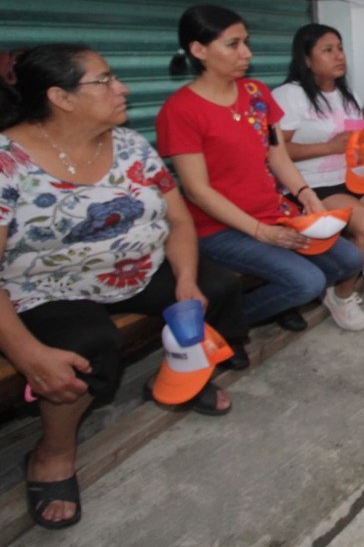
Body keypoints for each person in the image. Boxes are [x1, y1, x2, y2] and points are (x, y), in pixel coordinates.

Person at [1, 45, 248, 529]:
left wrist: (185, 281)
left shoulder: (131, 145)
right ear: (61, 97)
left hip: (138, 268)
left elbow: (177, 220)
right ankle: (52, 453)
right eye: (106, 80)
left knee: (216, 288)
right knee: (89, 344)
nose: (124, 88)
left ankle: (176, 377)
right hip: (50, 288)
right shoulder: (7, 163)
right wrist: (28, 354)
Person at [156, 5, 364, 332]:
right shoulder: (180, 110)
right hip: (220, 228)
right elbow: (197, 191)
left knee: (349, 260)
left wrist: (306, 195)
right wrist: (262, 232)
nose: (247, 53)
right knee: (306, 283)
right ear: (199, 51)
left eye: (246, 42)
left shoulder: (257, 94)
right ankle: (224, 327)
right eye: (233, 44)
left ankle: (245, 314)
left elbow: (277, 155)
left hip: (274, 211)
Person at [272, 24, 364, 312]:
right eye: (327, 50)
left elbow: (360, 145)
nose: (339, 56)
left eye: (340, 48)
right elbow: (278, 151)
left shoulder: (348, 95)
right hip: (313, 185)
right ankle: (341, 294)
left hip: (355, 178)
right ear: (306, 59)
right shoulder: (289, 96)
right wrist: (328, 148)